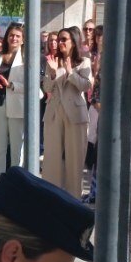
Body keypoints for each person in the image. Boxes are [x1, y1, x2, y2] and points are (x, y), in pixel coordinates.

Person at [40, 27, 92, 199]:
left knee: (74, 161)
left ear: (73, 42)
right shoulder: (52, 61)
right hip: (54, 112)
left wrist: (70, 73)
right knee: (51, 160)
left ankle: (74, 201)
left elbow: (85, 86)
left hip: (75, 114)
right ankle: (51, 199)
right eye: (58, 39)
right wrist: (53, 72)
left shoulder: (83, 62)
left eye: (63, 39)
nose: (59, 43)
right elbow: (46, 88)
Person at [0, 23, 28, 173]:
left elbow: (32, 87)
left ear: (23, 39)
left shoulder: (26, 58)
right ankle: (0, 185)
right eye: (11, 35)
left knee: (17, 150)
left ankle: (17, 186)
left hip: (17, 107)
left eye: (17, 36)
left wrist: (10, 84)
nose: (14, 38)